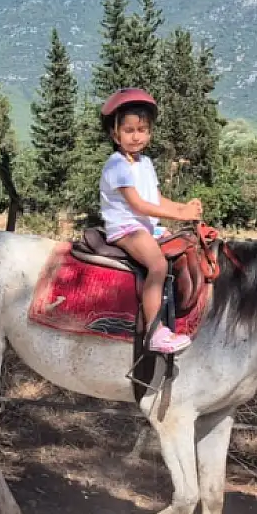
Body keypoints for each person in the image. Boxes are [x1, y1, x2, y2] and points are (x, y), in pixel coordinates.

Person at [96, 88, 203, 354]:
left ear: (150, 132)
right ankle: (155, 331)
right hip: (126, 227)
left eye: (142, 129)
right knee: (156, 264)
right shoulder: (117, 165)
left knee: (187, 247)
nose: (136, 136)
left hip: (144, 225)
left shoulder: (145, 163)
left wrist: (183, 207)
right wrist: (180, 215)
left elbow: (156, 199)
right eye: (129, 130)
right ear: (114, 133)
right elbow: (138, 204)